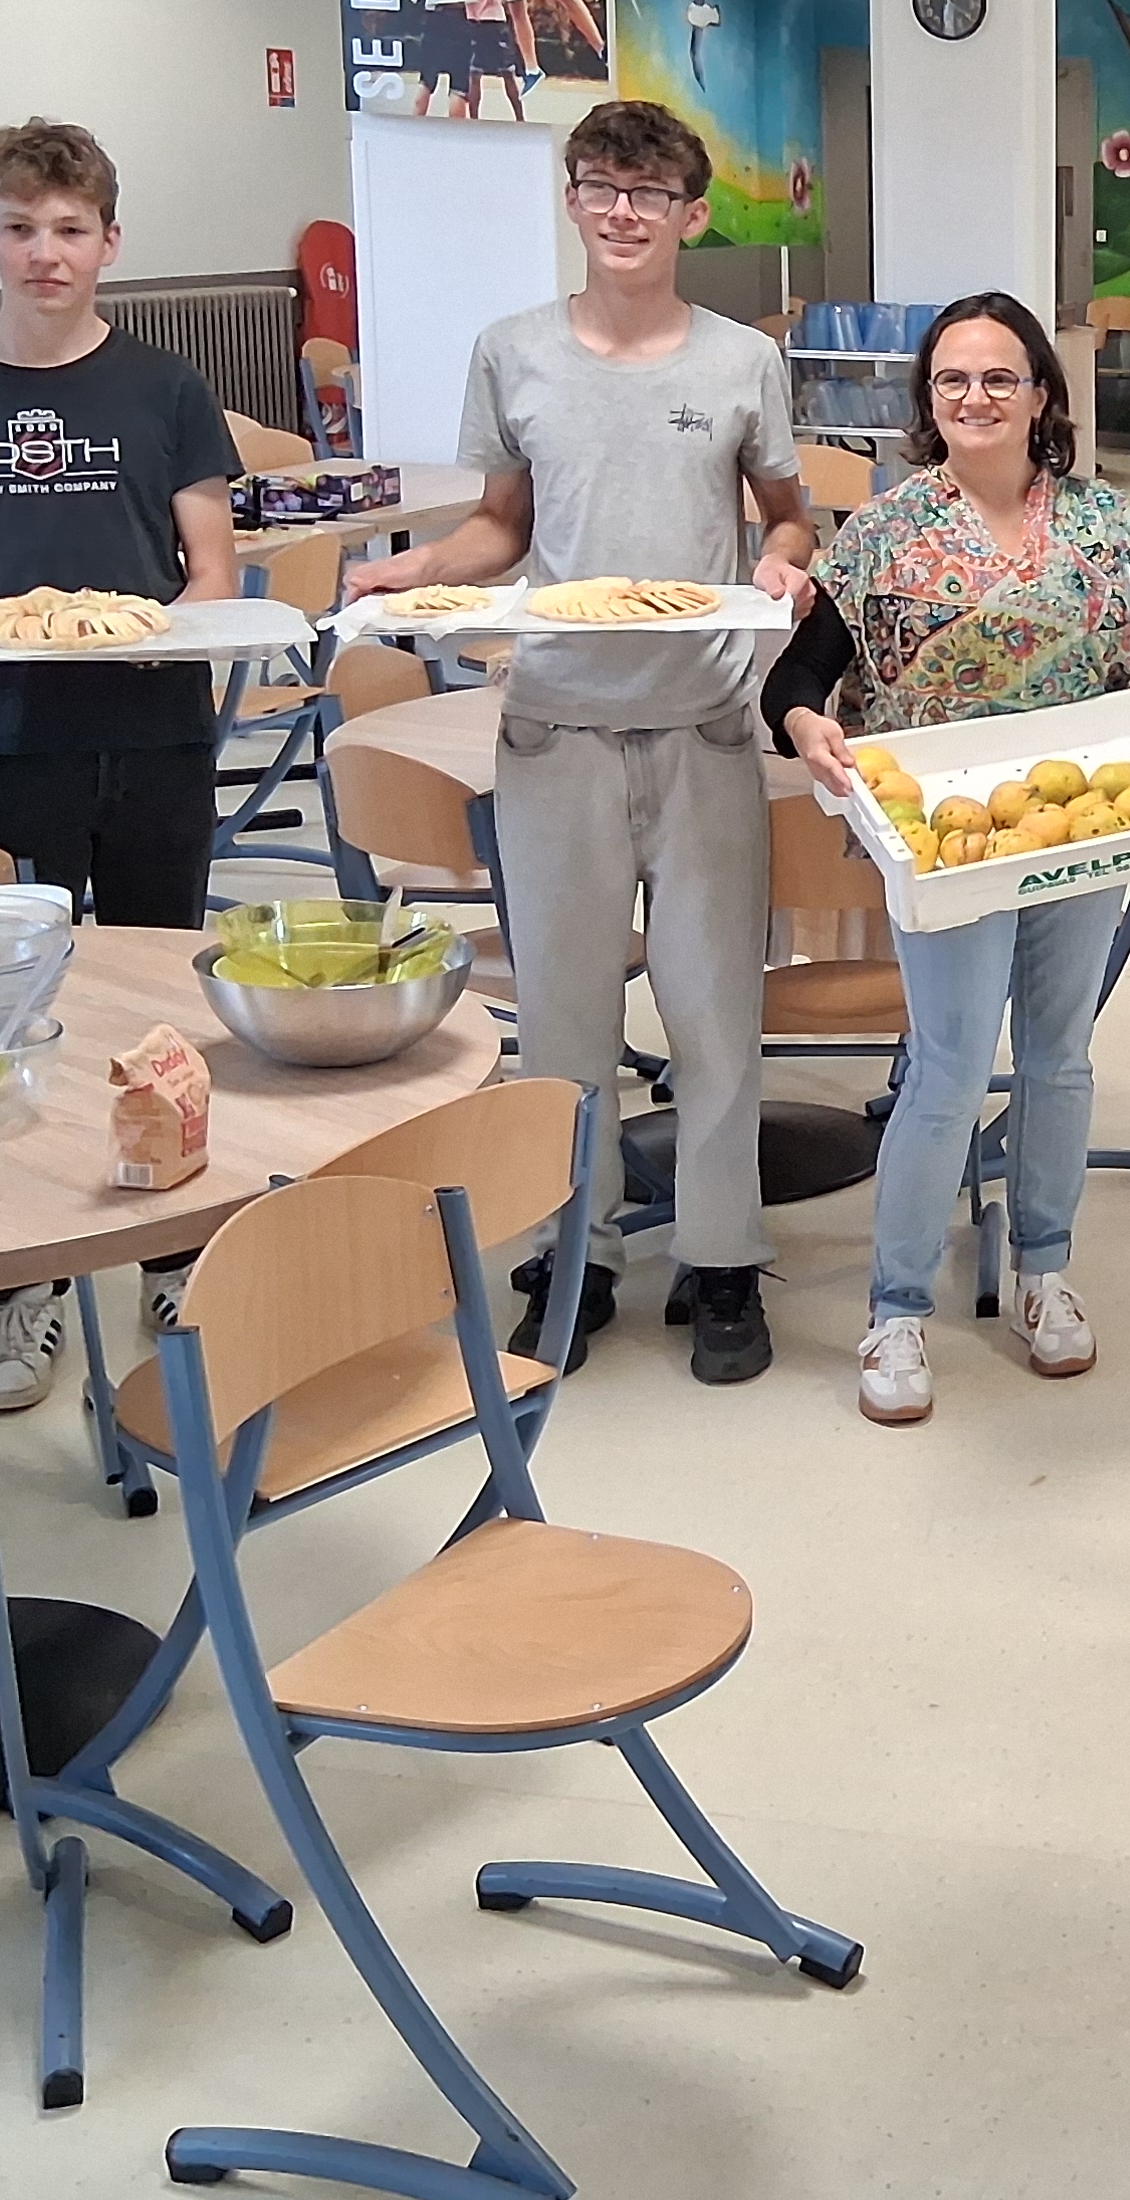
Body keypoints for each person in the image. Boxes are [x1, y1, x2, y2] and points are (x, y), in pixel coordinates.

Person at [766, 294, 1130, 1421]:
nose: (976, 398)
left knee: (1060, 1058)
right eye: (953, 380)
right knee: (951, 1066)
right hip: (950, 842)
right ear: (928, 402)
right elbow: (800, 673)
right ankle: (897, 1308)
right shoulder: (882, 535)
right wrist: (804, 723)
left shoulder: (1108, 528)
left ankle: (1044, 1271)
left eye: (999, 378)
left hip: (1082, 829)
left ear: (1041, 396)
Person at [347, 99, 816, 1382]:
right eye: (601, 186)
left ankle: (722, 1257)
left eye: (649, 192)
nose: (623, 210)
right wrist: (415, 570)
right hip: (557, 726)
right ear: (571, 200)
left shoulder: (739, 362)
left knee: (713, 1010)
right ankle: (574, 1250)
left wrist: (781, 563)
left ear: (690, 215)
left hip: (702, 726)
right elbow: (503, 526)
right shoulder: (513, 352)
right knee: (561, 1017)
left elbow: (786, 513)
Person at [0, 119, 244, 1412]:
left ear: (110, 241)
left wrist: (153, 634)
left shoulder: (165, 389)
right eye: (21, 228)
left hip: (153, 727)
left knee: (159, 990)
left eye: (71, 229)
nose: (47, 252)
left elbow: (212, 571)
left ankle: (171, 1245)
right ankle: (20, 1282)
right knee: (13, 1004)